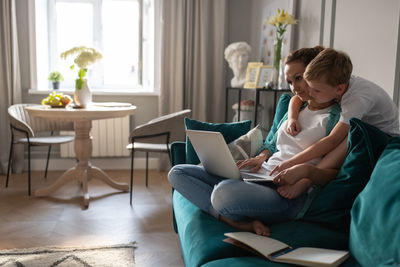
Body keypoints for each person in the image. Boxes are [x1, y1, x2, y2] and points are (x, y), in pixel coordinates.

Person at [169, 46, 343, 236]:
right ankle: (237, 220)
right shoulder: (296, 109)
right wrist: (261, 157)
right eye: (290, 81)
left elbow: (332, 168)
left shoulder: (336, 118)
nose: (294, 87)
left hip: (286, 192)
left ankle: (234, 215)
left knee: (222, 192)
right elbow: (271, 143)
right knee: (177, 172)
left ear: (313, 72)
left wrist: (305, 181)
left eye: (299, 78)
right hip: (263, 175)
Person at [272, 48, 400, 186]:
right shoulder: (333, 82)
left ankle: (307, 181)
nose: (310, 93)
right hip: (367, 127)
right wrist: (292, 118)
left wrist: (291, 162)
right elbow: (297, 99)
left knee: (347, 137)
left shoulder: (355, 100)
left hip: (386, 137)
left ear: (339, 89)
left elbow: (332, 140)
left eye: (315, 91)